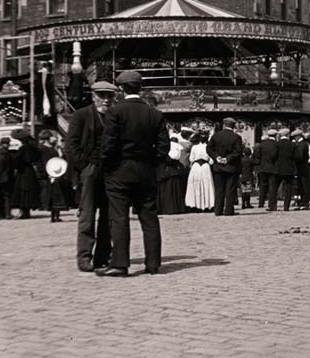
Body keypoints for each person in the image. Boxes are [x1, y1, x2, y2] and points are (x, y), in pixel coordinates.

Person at [101, 70, 169, 277]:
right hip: (146, 172)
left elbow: (109, 144)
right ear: (140, 88)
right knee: (149, 218)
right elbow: (163, 147)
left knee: (119, 218)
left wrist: (108, 165)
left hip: (120, 171)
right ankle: (153, 263)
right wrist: (150, 163)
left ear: (121, 89)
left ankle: (120, 263)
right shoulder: (154, 114)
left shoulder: (115, 112)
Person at [66, 80, 116, 272]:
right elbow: (71, 145)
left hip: (110, 172)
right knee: (87, 215)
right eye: (102, 96)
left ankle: (102, 256)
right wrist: (85, 166)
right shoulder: (81, 115)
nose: (106, 100)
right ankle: (84, 256)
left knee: (108, 216)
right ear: (93, 96)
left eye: (109, 96)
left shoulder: (114, 115)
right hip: (90, 170)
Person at [207, 117, 244, 216]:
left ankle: (218, 210)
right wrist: (228, 158)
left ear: (224, 125)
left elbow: (209, 149)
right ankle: (228, 210)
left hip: (218, 166)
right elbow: (238, 151)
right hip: (231, 166)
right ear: (234, 126)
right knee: (230, 189)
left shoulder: (216, 136)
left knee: (219, 189)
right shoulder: (236, 137)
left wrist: (217, 157)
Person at [10, 131, 43, 219]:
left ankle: (24, 212)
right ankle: (27, 211)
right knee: (28, 190)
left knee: (22, 191)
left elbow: (17, 160)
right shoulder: (33, 148)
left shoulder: (23, 149)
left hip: (23, 171)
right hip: (30, 171)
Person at [185, 132, 214, 212]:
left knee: (195, 184)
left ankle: (196, 205)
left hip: (196, 167)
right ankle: (207, 205)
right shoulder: (208, 147)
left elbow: (191, 159)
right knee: (206, 184)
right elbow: (211, 161)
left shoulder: (194, 147)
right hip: (205, 167)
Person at [271, 128, 297, 211]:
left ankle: (273, 205)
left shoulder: (277, 144)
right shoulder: (292, 144)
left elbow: (273, 156)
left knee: (274, 188)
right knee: (288, 188)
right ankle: (286, 206)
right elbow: (296, 156)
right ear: (288, 135)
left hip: (278, 168)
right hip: (289, 169)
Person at [291, 129, 310, 210]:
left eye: (295, 137)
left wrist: (293, 157)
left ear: (298, 136)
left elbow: (300, 156)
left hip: (302, 168)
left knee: (304, 185)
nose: (294, 138)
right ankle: (301, 202)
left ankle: (305, 202)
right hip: (301, 168)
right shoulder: (301, 144)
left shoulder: (302, 144)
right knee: (300, 186)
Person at [255, 130, 278, 209]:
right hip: (272, 167)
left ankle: (261, 202)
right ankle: (271, 204)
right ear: (275, 136)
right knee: (272, 186)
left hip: (263, 167)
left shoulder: (262, 144)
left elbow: (257, 156)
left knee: (262, 185)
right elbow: (275, 156)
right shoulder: (276, 144)